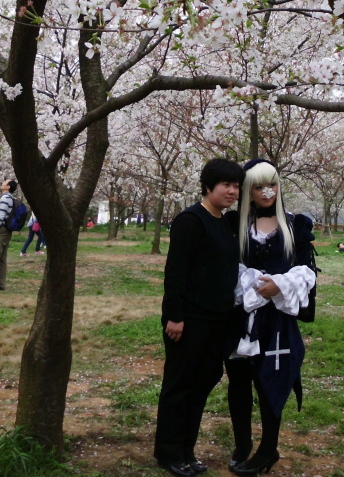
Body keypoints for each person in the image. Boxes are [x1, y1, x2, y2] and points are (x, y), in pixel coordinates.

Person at [154, 158, 244, 477]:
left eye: (236, 186)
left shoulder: (224, 222)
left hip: (218, 320)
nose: (233, 191)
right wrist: (174, 316)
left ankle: (187, 450)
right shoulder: (191, 220)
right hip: (189, 320)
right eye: (226, 185)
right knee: (180, 385)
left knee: (203, 382)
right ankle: (168, 453)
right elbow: (175, 272)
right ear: (208, 187)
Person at [226, 160, 316, 476]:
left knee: (271, 381)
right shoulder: (233, 224)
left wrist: (279, 284)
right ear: (248, 190)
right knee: (238, 381)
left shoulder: (295, 227)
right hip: (241, 321)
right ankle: (242, 444)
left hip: (277, 322)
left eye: (273, 185)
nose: (267, 192)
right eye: (260, 186)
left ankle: (268, 448)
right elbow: (224, 268)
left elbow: (306, 271)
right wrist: (249, 287)